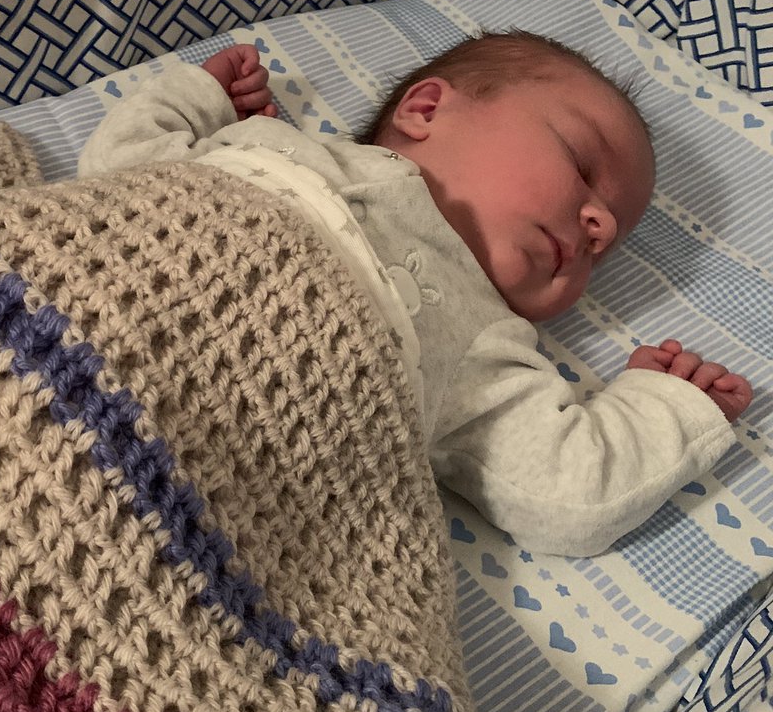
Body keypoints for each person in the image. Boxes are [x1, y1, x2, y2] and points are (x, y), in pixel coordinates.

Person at [79, 31, 753, 556]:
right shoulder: (273, 147)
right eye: (580, 165)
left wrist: (662, 406)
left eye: (607, 247)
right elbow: (117, 172)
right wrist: (200, 98)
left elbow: (565, 491)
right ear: (427, 110)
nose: (599, 226)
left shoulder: (484, 341)